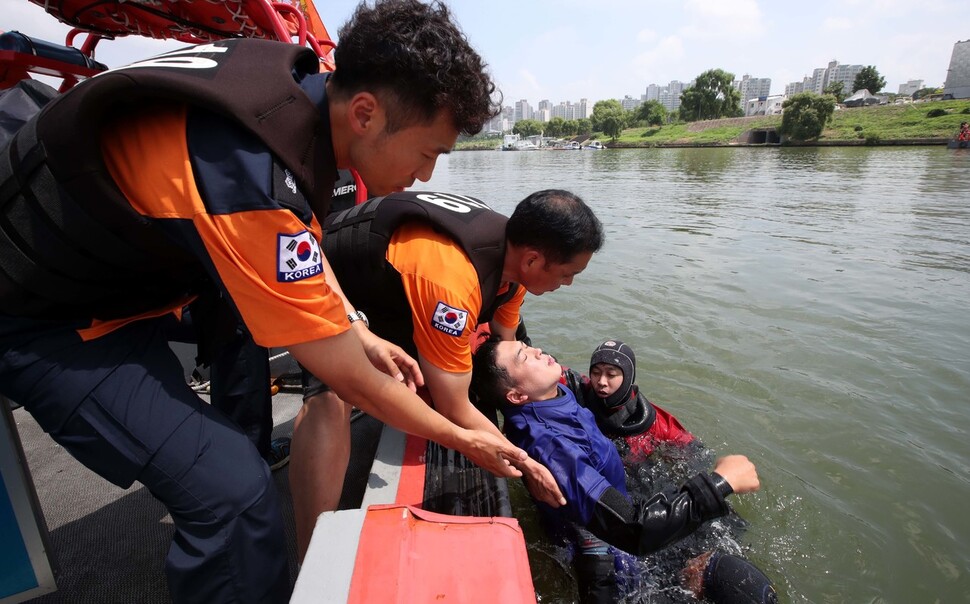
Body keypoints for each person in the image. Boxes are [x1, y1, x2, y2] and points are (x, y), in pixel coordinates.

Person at [0, 1, 531, 601]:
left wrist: (357, 326)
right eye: (428, 152)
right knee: (233, 493)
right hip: (48, 319)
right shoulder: (245, 168)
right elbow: (350, 382)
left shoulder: (292, 94)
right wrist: (464, 439)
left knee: (246, 353)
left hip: (125, 277)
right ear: (365, 113)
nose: (428, 174)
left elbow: (299, 240)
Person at [291, 187, 605, 558]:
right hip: (333, 278)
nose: (568, 283)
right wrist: (527, 462)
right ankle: (312, 550)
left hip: (397, 290)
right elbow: (452, 405)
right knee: (333, 396)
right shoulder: (452, 284)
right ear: (534, 260)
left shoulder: (514, 270)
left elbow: (504, 345)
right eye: (568, 274)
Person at [470, 338, 777, 604]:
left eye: (527, 346)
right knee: (742, 586)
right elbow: (631, 528)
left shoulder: (554, 395)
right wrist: (720, 483)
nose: (537, 350)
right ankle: (688, 577)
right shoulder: (552, 449)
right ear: (516, 396)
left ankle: (690, 572)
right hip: (607, 551)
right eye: (525, 356)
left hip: (621, 502)